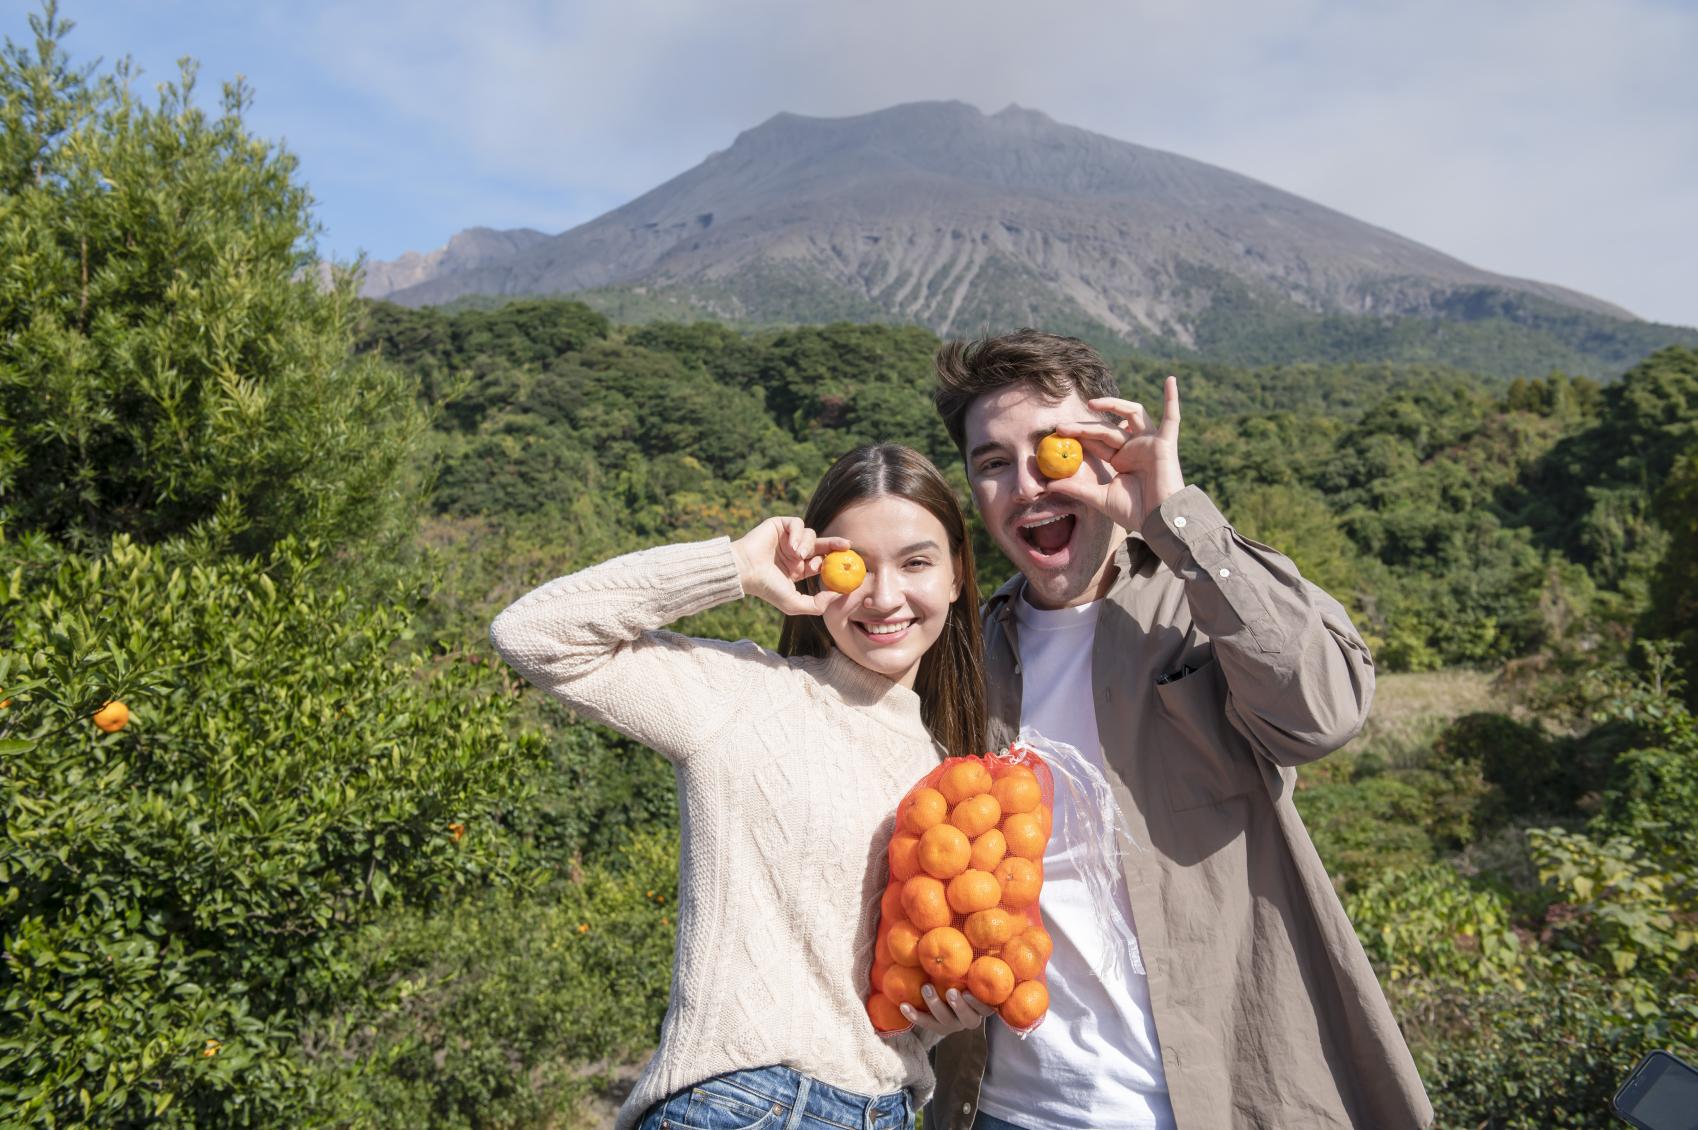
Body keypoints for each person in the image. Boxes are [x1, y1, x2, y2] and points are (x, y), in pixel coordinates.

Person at [925, 331, 1433, 1129]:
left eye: (1052, 449)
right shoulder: (966, 661)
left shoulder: (1200, 604)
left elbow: (1326, 709)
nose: (1026, 485)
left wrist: (1177, 522)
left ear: (1108, 451)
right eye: (992, 463)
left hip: (1217, 1101)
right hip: (1008, 1111)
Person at [489, 443, 996, 1130]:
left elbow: (865, 1005)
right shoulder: (744, 695)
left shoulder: (952, 775)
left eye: (915, 562)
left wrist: (938, 1015)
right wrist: (735, 566)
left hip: (884, 1111)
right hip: (739, 1106)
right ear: (817, 573)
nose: (883, 596)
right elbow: (531, 634)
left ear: (958, 575)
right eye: (856, 565)